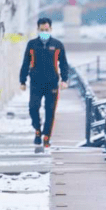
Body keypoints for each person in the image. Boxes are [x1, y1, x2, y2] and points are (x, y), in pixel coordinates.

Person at [19, 17, 69, 148]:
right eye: (42, 30)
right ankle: (37, 129)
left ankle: (46, 136)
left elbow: (64, 64)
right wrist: (22, 80)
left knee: (50, 111)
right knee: (33, 108)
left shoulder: (58, 45)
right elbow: (25, 63)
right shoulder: (32, 45)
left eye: (46, 30)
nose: (44, 32)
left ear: (51, 29)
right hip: (35, 83)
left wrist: (64, 80)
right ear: (38, 29)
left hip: (52, 83)